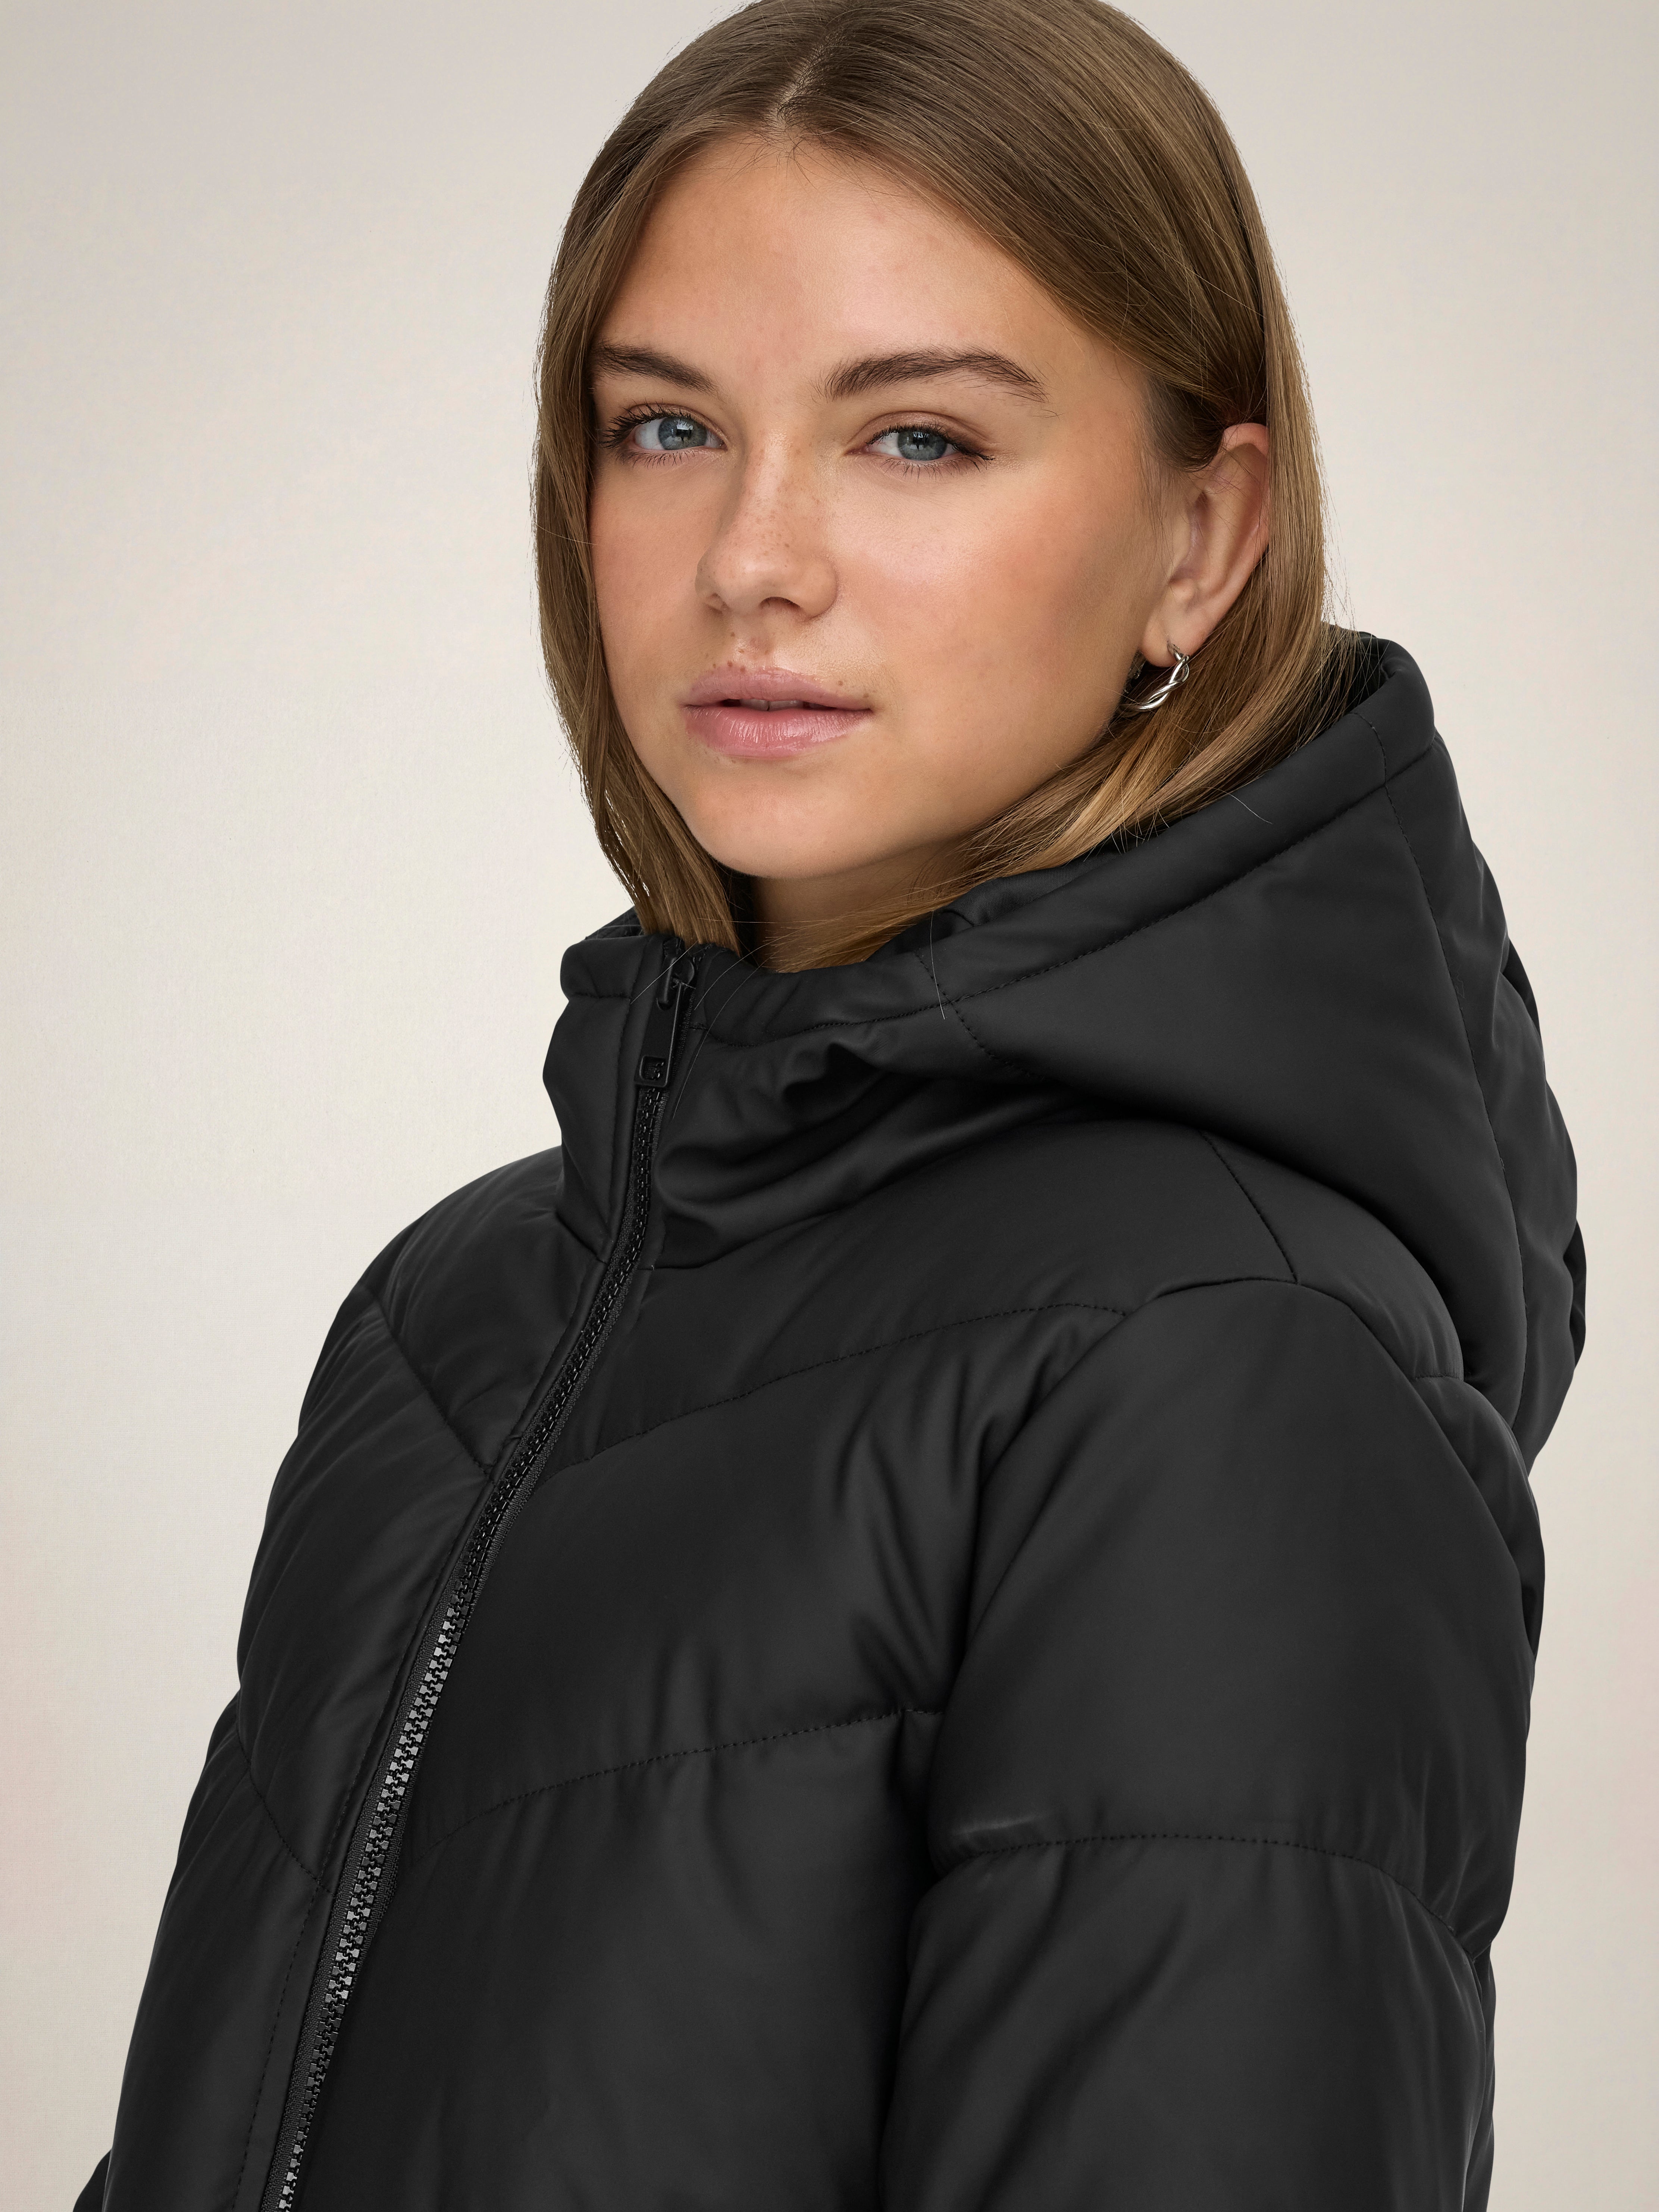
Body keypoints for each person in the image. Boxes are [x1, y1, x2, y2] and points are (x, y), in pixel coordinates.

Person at [76, 2, 1584, 2206]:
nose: (753, 557)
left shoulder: (1223, 1357)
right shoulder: (453, 1319)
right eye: (669, 426)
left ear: (1203, 534)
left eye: (920, 440)